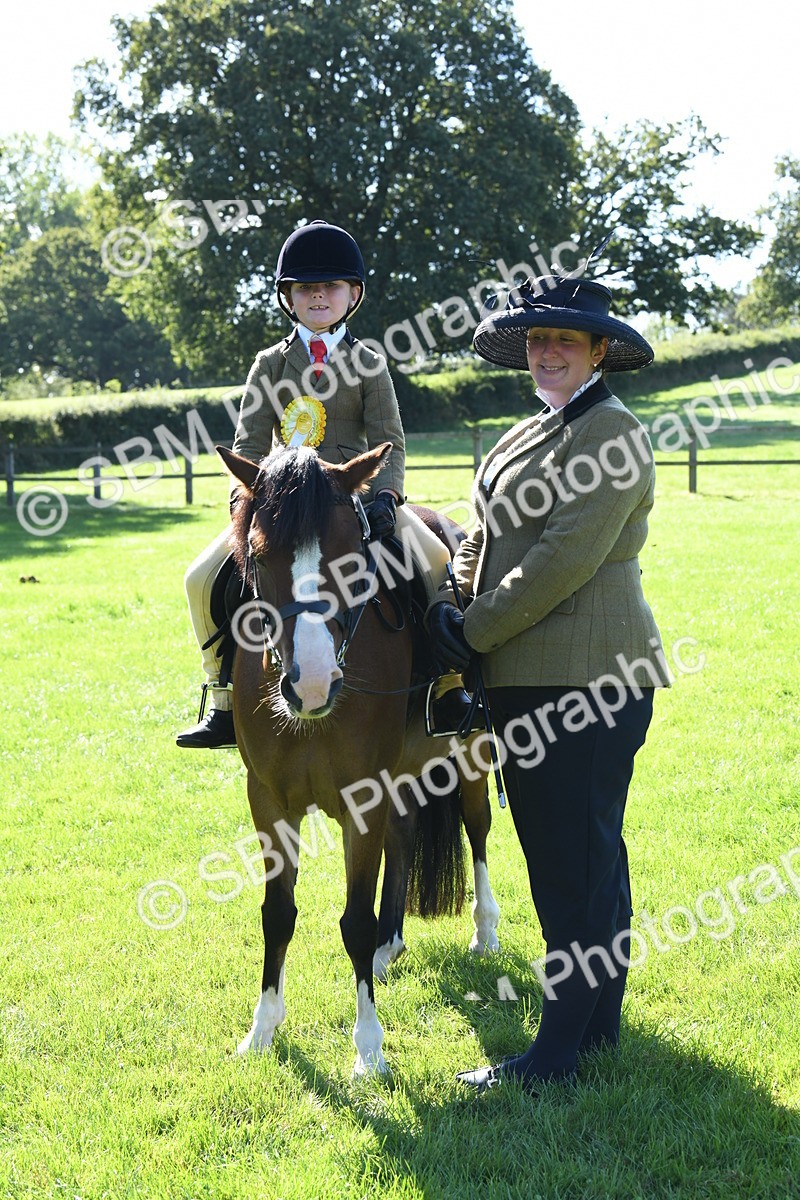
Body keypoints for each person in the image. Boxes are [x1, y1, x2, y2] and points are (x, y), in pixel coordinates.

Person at [428, 267, 671, 1093]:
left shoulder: (609, 434)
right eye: (538, 340)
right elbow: (483, 530)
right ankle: (596, 1027)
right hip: (531, 677)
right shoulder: (526, 431)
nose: (547, 353)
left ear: (600, 349)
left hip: (586, 681)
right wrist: (452, 597)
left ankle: (556, 1054)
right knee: (587, 856)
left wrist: (473, 629)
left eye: (565, 339)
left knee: (572, 866)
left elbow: (561, 560)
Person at [177, 219, 461, 748]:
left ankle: (448, 686)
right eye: (307, 288)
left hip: (354, 497)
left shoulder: (370, 363)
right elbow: (246, 446)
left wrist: (385, 497)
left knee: (436, 559)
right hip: (282, 506)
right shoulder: (268, 364)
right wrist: (245, 502)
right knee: (198, 578)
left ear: (352, 294)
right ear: (288, 296)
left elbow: (390, 441)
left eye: (330, 287)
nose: (318, 296)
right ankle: (220, 698)